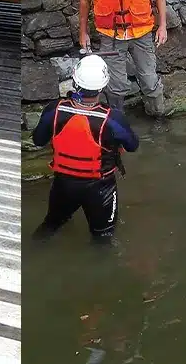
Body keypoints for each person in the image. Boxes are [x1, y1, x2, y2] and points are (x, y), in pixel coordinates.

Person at [31, 55, 139, 245]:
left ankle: (33, 249)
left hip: (63, 184)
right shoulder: (112, 119)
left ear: (75, 81)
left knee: (50, 225)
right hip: (100, 187)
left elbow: (38, 140)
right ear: (103, 86)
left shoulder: (54, 110)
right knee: (103, 237)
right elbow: (132, 145)